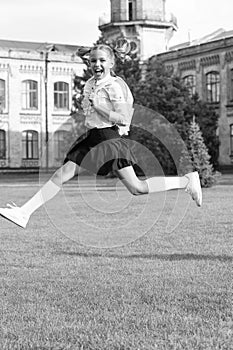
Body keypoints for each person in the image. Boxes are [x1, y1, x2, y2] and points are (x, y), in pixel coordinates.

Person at [0, 40, 202, 229]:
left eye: (102, 60)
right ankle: (24, 212)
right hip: (94, 137)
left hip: (109, 140)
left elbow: (122, 118)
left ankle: (186, 181)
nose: (97, 64)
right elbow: (88, 61)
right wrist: (87, 56)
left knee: (137, 188)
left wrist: (98, 106)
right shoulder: (94, 83)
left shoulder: (113, 86)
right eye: (94, 61)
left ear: (112, 63)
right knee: (61, 174)